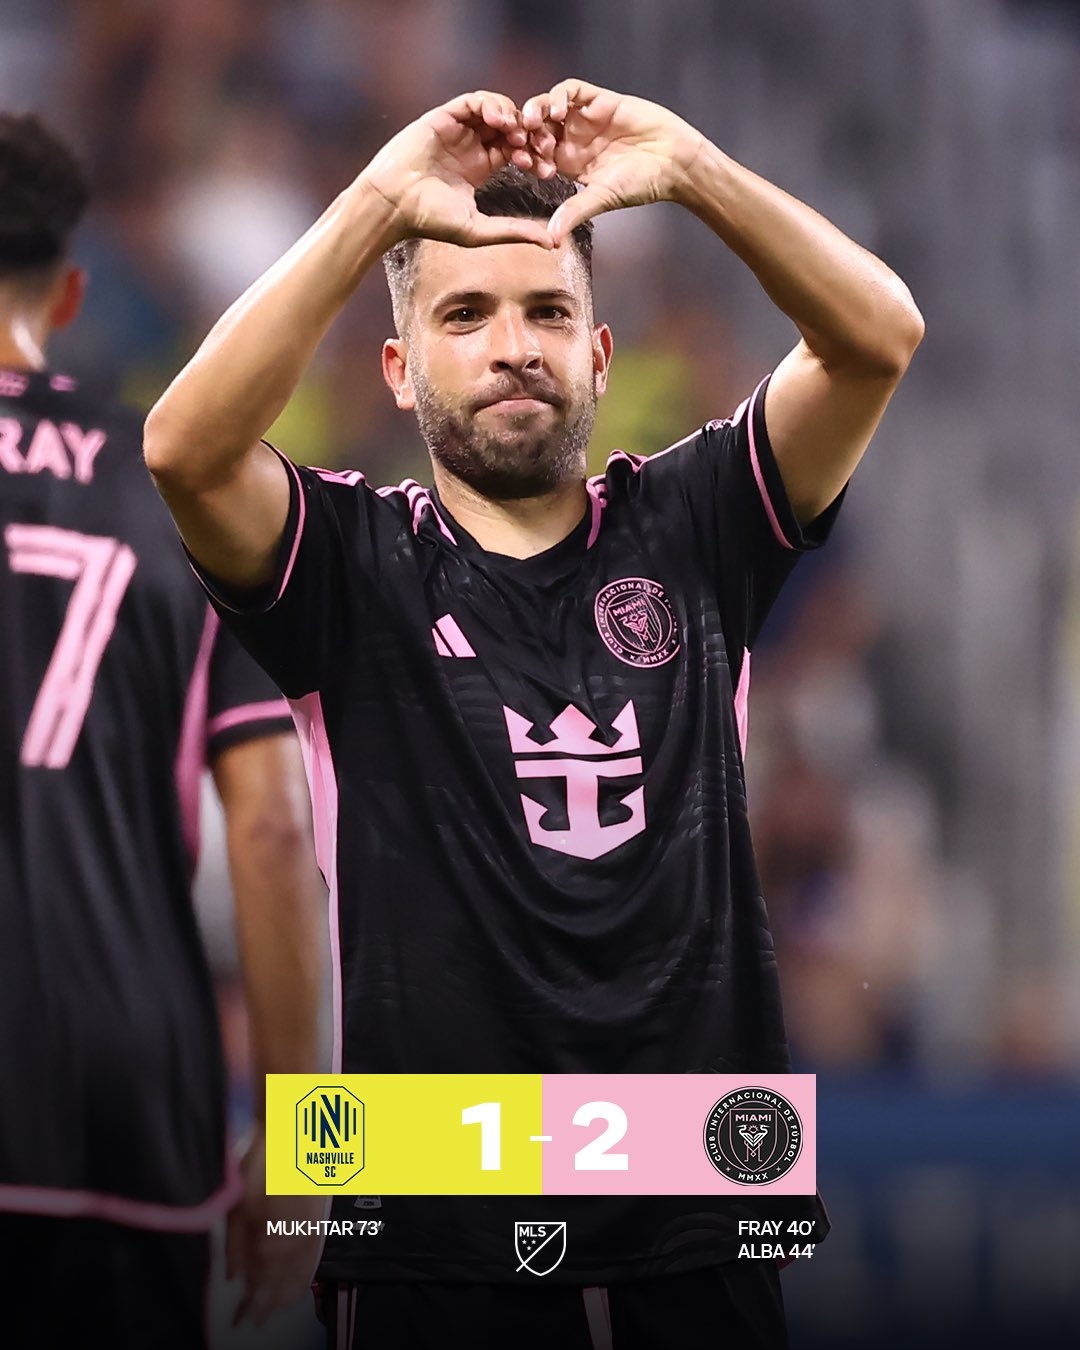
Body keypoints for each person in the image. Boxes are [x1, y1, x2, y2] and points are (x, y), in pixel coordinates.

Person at [144, 80, 924, 1350]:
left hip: (699, 1188)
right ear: (399, 373)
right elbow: (183, 447)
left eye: (549, 311)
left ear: (600, 354)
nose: (514, 344)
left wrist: (692, 167)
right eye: (465, 314)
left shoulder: (697, 525)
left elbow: (880, 334)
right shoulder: (348, 564)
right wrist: (376, 204)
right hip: (426, 1200)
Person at [0, 112, 329, 1347]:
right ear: (69, 293)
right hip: (127, 1101)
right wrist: (306, 1151)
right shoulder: (176, 493)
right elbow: (275, 826)